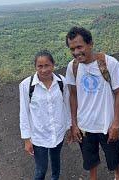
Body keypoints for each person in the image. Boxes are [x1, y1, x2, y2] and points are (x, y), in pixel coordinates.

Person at [65, 26, 119, 180]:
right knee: (89, 158)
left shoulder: (109, 63)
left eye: (79, 46)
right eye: (72, 49)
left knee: (114, 156)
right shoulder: (73, 67)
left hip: (106, 123)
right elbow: (73, 95)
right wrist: (74, 123)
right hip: (85, 124)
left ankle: (118, 175)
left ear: (90, 43)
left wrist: (116, 124)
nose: (76, 52)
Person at [19, 50, 71, 180]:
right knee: (41, 169)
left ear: (53, 65)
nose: (43, 70)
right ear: (35, 67)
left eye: (47, 65)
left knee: (56, 161)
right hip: (39, 135)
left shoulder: (61, 82)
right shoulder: (27, 85)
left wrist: (69, 127)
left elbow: (67, 105)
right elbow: (24, 112)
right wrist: (26, 139)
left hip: (57, 131)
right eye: (40, 66)